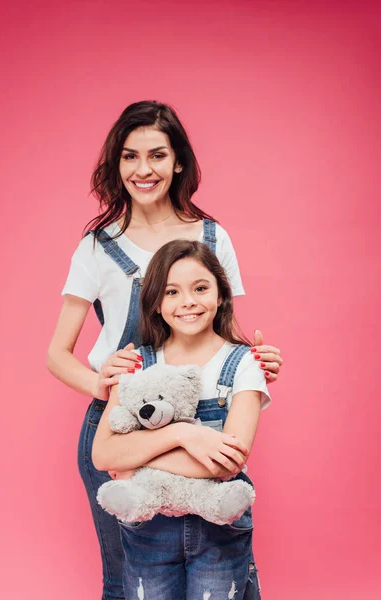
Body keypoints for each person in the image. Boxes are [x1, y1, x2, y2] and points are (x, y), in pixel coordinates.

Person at [47, 100, 283, 600]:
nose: (143, 169)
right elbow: (57, 353)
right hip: (122, 423)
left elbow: (224, 330)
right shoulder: (97, 247)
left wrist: (255, 364)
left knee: (228, 565)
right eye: (129, 157)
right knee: (126, 578)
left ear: (178, 162)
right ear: (117, 165)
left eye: (156, 154)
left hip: (207, 421)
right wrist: (107, 385)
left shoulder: (213, 237)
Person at [92, 239, 271, 600]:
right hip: (148, 534)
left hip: (219, 535)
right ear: (157, 303)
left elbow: (227, 463)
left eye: (201, 288)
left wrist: (136, 460)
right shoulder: (136, 363)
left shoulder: (246, 363)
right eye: (172, 291)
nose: (188, 301)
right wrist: (183, 436)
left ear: (221, 295)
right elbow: (104, 455)